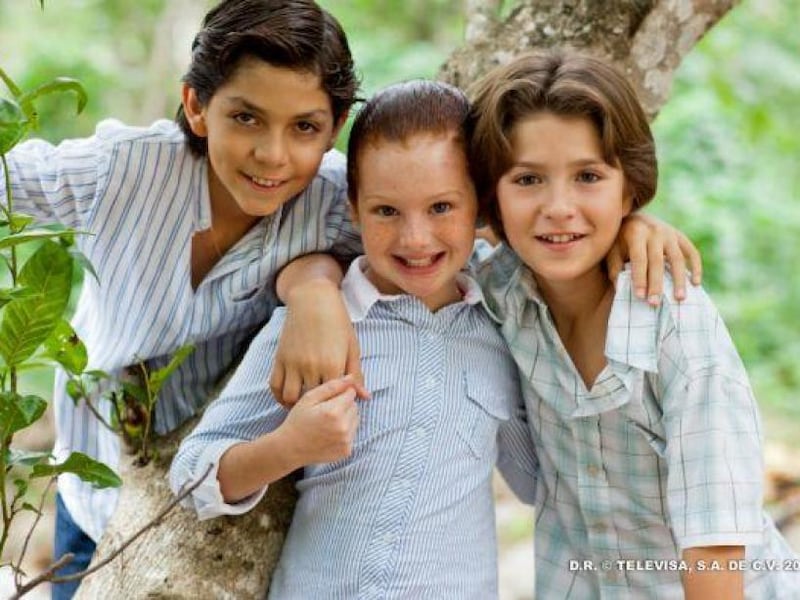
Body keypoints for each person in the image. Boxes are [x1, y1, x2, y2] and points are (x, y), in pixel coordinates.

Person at [0, 1, 363, 597]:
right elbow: (14, 178)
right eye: (246, 118)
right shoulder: (125, 169)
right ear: (197, 106)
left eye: (304, 127)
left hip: (225, 493)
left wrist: (314, 282)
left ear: (336, 125)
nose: (273, 155)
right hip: (92, 485)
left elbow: (437, 247)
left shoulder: (332, 202)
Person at [170, 80, 539, 598]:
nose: (415, 238)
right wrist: (288, 447)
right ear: (353, 207)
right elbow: (190, 475)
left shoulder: (505, 324)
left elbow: (537, 482)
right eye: (387, 211)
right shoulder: (317, 326)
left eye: (441, 208)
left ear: (479, 204)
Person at [468, 50, 799, 598]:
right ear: (492, 198)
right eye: (527, 179)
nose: (559, 206)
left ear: (629, 189)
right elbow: (391, 221)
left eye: (588, 176)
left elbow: (715, 550)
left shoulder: (674, 322)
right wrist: (311, 285)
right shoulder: (496, 293)